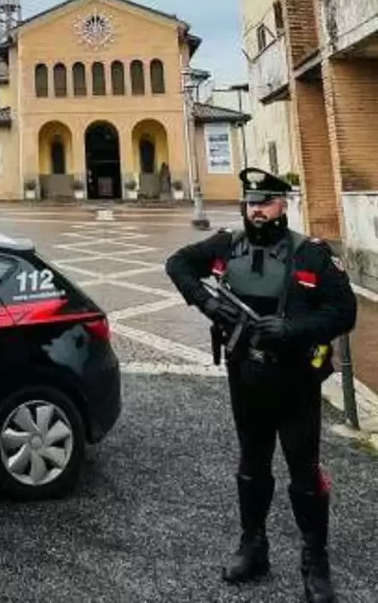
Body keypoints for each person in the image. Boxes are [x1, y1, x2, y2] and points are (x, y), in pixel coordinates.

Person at [164, 168, 357, 603]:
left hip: (295, 381)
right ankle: (254, 547)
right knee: (252, 467)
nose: (256, 209)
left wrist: (293, 328)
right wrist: (208, 301)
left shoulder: (310, 255)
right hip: (246, 377)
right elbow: (176, 264)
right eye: (251, 202)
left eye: (265, 201)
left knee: (304, 474)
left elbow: (344, 312)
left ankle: (315, 561)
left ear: (282, 204)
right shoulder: (227, 245)